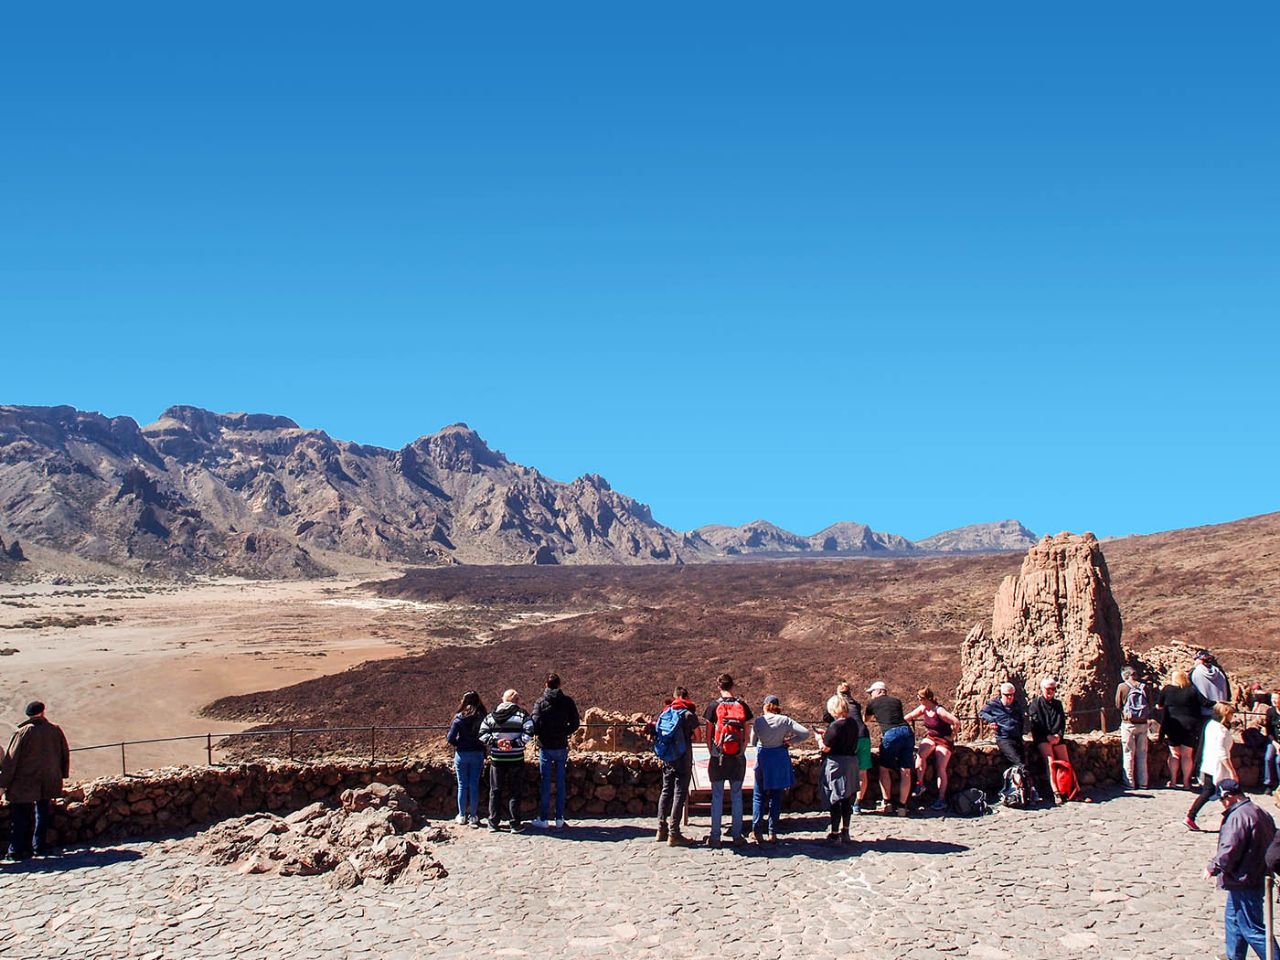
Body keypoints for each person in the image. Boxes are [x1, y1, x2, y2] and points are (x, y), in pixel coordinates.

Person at [1204, 778, 1278, 960]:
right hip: (1251, 876)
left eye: (1222, 800)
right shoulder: (1259, 811)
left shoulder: (1238, 817)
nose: (1222, 804)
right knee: (1234, 922)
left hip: (1244, 878)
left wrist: (1214, 866)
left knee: (1252, 929)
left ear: (1228, 796)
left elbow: (1230, 848)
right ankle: (1234, 956)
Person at [0, 701, 70, 860]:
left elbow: (11, 760)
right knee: (42, 813)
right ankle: (40, 846)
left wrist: (3, 782)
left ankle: (18, 850)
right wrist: (61, 774)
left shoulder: (23, 733)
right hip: (48, 780)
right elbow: (64, 753)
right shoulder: (54, 730)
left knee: (20, 816)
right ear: (43, 712)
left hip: (24, 783)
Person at [749, 695, 811, 842]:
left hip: (763, 758)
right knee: (775, 796)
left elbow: (753, 741)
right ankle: (772, 832)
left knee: (758, 796)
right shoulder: (784, 720)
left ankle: (757, 830)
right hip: (778, 758)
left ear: (764, 706)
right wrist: (789, 741)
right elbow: (805, 733)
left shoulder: (759, 721)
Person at [703, 673, 753, 848]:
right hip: (737, 757)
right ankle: (737, 836)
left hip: (718, 757)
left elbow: (708, 735)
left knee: (717, 796)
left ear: (719, 686)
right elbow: (747, 736)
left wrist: (713, 752)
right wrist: (741, 751)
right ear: (733, 686)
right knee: (736, 795)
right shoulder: (742, 706)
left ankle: (715, 837)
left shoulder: (713, 706)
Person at [479, 689, 535, 832]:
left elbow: (482, 733)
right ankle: (515, 823)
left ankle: (493, 822)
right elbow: (529, 732)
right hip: (516, 758)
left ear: (503, 699)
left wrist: (496, 743)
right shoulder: (522, 715)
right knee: (515, 791)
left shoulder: (491, 716)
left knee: (495, 790)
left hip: (497, 758)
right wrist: (515, 744)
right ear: (516, 701)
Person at [530, 673, 581, 830]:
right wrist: (564, 732)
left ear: (546, 685)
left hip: (545, 746)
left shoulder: (540, 702)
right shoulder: (567, 701)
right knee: (560, 783)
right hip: (560, 745)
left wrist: (542, 733)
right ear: (559, 685)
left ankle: (544, 818)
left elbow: (535, 723)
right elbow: (575, 722)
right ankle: (559, 818)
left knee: (545, 782)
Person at [654, 686, 700, 847]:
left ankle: (661, 829)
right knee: (679, 793)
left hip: (668, 758)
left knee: (666, 790)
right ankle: (674, 833)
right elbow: (698, 736)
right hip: (683, 758)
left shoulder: (666, 712)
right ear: (686, 697)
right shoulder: (688, 714)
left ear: (674, 697)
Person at [864, 681, 914, 816]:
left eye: (871, 692)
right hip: (907, 732)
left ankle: (887, 803)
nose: (870, 695)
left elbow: (866, 719)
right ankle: (903, 806)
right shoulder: (896, 701)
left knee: (884, 768)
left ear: (878, 691)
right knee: (906, 770)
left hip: (891, 734)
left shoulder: (872, 704)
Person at [904, 688, 958, 811]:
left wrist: (951, 736)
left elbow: (956, 721)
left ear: (927, 699)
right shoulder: (924, 709)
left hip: (943, 739)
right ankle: (920, 784)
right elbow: (910, 716)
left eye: (920, 698)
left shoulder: (939, 711)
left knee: (941, 767)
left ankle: (941, 798)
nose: (918, 700)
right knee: (921, 754)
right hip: (931, 737)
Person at [822, 681, 872, 814]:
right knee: (862, 772)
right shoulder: (856, 704)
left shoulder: (837, 705)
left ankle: (842, 801)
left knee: (844, 769)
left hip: (849, 737)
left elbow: (827, 719)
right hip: (863, 735)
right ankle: (857, 803)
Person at [1187, 702, 1238, 831]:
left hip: (1209, 763)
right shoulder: (1220, 730)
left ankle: (1191, 816)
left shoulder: (1210, 725)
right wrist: (1231, 770)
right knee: (1231, 792)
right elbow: (1222, 753)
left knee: (1210, 792)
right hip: (1217, 766)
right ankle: (1235, 820)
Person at [820, 695, 860, 844]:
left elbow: (826, 747)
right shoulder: (853, 723)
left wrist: (819, 739)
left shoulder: (835, 726)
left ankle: (835, 833)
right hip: (851, 762)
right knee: (847, 798)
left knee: (835, 798)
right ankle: (846, 831)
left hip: (837, 763)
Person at [1158, 669, 1206, 790]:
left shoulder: (1167, 689)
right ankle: (1186, 782)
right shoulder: (1192, 690)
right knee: (1187, 756)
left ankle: (1173, 781)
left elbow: (1159, 705)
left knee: (1174, 754)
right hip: (1189, 726)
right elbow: (1205, 702)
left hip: (1173, 725)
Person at [446, 691, 487, 827]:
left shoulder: (459, 718)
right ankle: (473, 816)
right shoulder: (482, 717)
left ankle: (462, 815)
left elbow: (450, 738)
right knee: (474, 784)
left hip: (462, 754)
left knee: (462, 785)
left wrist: (460, 745)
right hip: (477, 754)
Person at [1192, 650, 1232, 778]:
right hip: (1222, 713)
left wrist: (1209, 704)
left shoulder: (1195, 673)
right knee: (1221, 745)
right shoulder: (1220, 672)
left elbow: (1195, 696)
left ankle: (1201, 774)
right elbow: (1229, 693)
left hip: (1204, 713)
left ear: (1200, 660)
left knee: (1203, 744)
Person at [1029, 678, 1069, 803]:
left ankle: (1069, 790)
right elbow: (1035, 724)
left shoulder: (1058, 704)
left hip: (1056, 737)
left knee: (1065, 762)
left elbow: (1062, 722)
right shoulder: (1035, 704)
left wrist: (1058, 736)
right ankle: (1056, 792)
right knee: (1050, 761)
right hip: (1042, 737)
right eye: (1048, 689)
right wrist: (1047, 736)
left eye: (1053, 689)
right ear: (1042, 689)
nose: (1051, 691)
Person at [1115, 666, 1153, 790]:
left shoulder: (1122, 687)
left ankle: (1129, 783)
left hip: (1128, 723)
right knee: (1142, 754)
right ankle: (1144, 782)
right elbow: (1150, 703)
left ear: (1125, 675)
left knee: (1128, 754)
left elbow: (1118, 704)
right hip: (1143, 723)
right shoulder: (1144, 687)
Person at [980, 682, 1028, 775]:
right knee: (1019, 763)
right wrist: (992, 720)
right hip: (1004, 738)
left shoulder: (1016, 704)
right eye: (1007, 695)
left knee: (1023, 762)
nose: (1010, 697)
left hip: (1017, 737)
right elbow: (982, 712)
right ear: (1001, 694)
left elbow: (1021, 718)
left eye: (1011, 695)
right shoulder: (994, 704)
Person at [1262, 690, 1280, 795]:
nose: (1273, 700)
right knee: (1268, 757)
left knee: (1278, 760)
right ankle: (1268, 783)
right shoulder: (1270, 712)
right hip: (1273, 740)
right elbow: (1268, 731)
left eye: (1275, 698)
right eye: (1272, 698)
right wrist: (1274, 743)